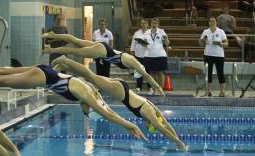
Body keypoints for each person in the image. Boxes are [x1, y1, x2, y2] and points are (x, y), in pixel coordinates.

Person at [0, 65, 147, 141]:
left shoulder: (87, 92)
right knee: (2, 80)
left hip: (46, 73)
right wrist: (129, 125)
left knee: (3, 72)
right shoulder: (87, 95)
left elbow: (104, 109)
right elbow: (107, 113)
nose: (86, 111)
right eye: (87, 111)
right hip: (45, 78)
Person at [51, 55, 186, 149]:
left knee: (91, 78)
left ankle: (65, 67)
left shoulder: (154, 111)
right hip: (120, 92)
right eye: (149, 125)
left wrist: (178, 140)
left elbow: (166, 124)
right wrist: (179, 144)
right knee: (90, 75)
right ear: (151, 122)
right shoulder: (149, 114)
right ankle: (65, 60)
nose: (146, 124)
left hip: (122, 87)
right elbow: (163, 129)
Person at [41, 33, 165, 96]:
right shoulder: (135, 63)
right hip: (104, 51)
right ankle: (50, 50)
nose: (136, 73)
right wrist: (158, 87)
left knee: (76, 41)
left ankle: (52, 36)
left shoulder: (134, 63)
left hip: (104, 50)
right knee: (75, 50)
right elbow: (147, 76)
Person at [199, 17, 228, 97]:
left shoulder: (221, 31)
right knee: (208, 74)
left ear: (216, 22)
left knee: (220, 73)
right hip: (208, 54)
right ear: (208, 22)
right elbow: (201, 44)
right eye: (210, 21)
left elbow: (226, 44)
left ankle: (222, 91)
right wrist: (202, 40)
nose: (212, 22)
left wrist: (220, 44)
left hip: (219, 55)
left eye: (213, 21)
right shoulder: (205, 31)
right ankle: (209, 91)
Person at [144, 18, 169, 95]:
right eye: (152, 23)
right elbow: (144, 44)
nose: (154, 24)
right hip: (149, 55)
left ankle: (160, 89)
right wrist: (143, 43)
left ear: (158, 24)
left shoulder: (161, 31)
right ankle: (153, 89)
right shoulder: (147, 32)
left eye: (156, 23)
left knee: (160, 73)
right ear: (150, 23)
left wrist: (165, 39)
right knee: (151, 73)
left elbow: (167, 43)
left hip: (160, 55)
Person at [130, 18, 149, 93]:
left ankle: (149, 87)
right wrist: (132, 53)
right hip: (138, 55)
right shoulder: (137, 33)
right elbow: (133, 44)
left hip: (147, 55)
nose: (143, 24)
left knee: (147, 72)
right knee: (138, 71)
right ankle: (138, 87)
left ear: (147, 24)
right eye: (142, 23)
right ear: (140, 24)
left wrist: (145, 43)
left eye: (145, 23)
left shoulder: (150, 33)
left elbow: (152, 44)